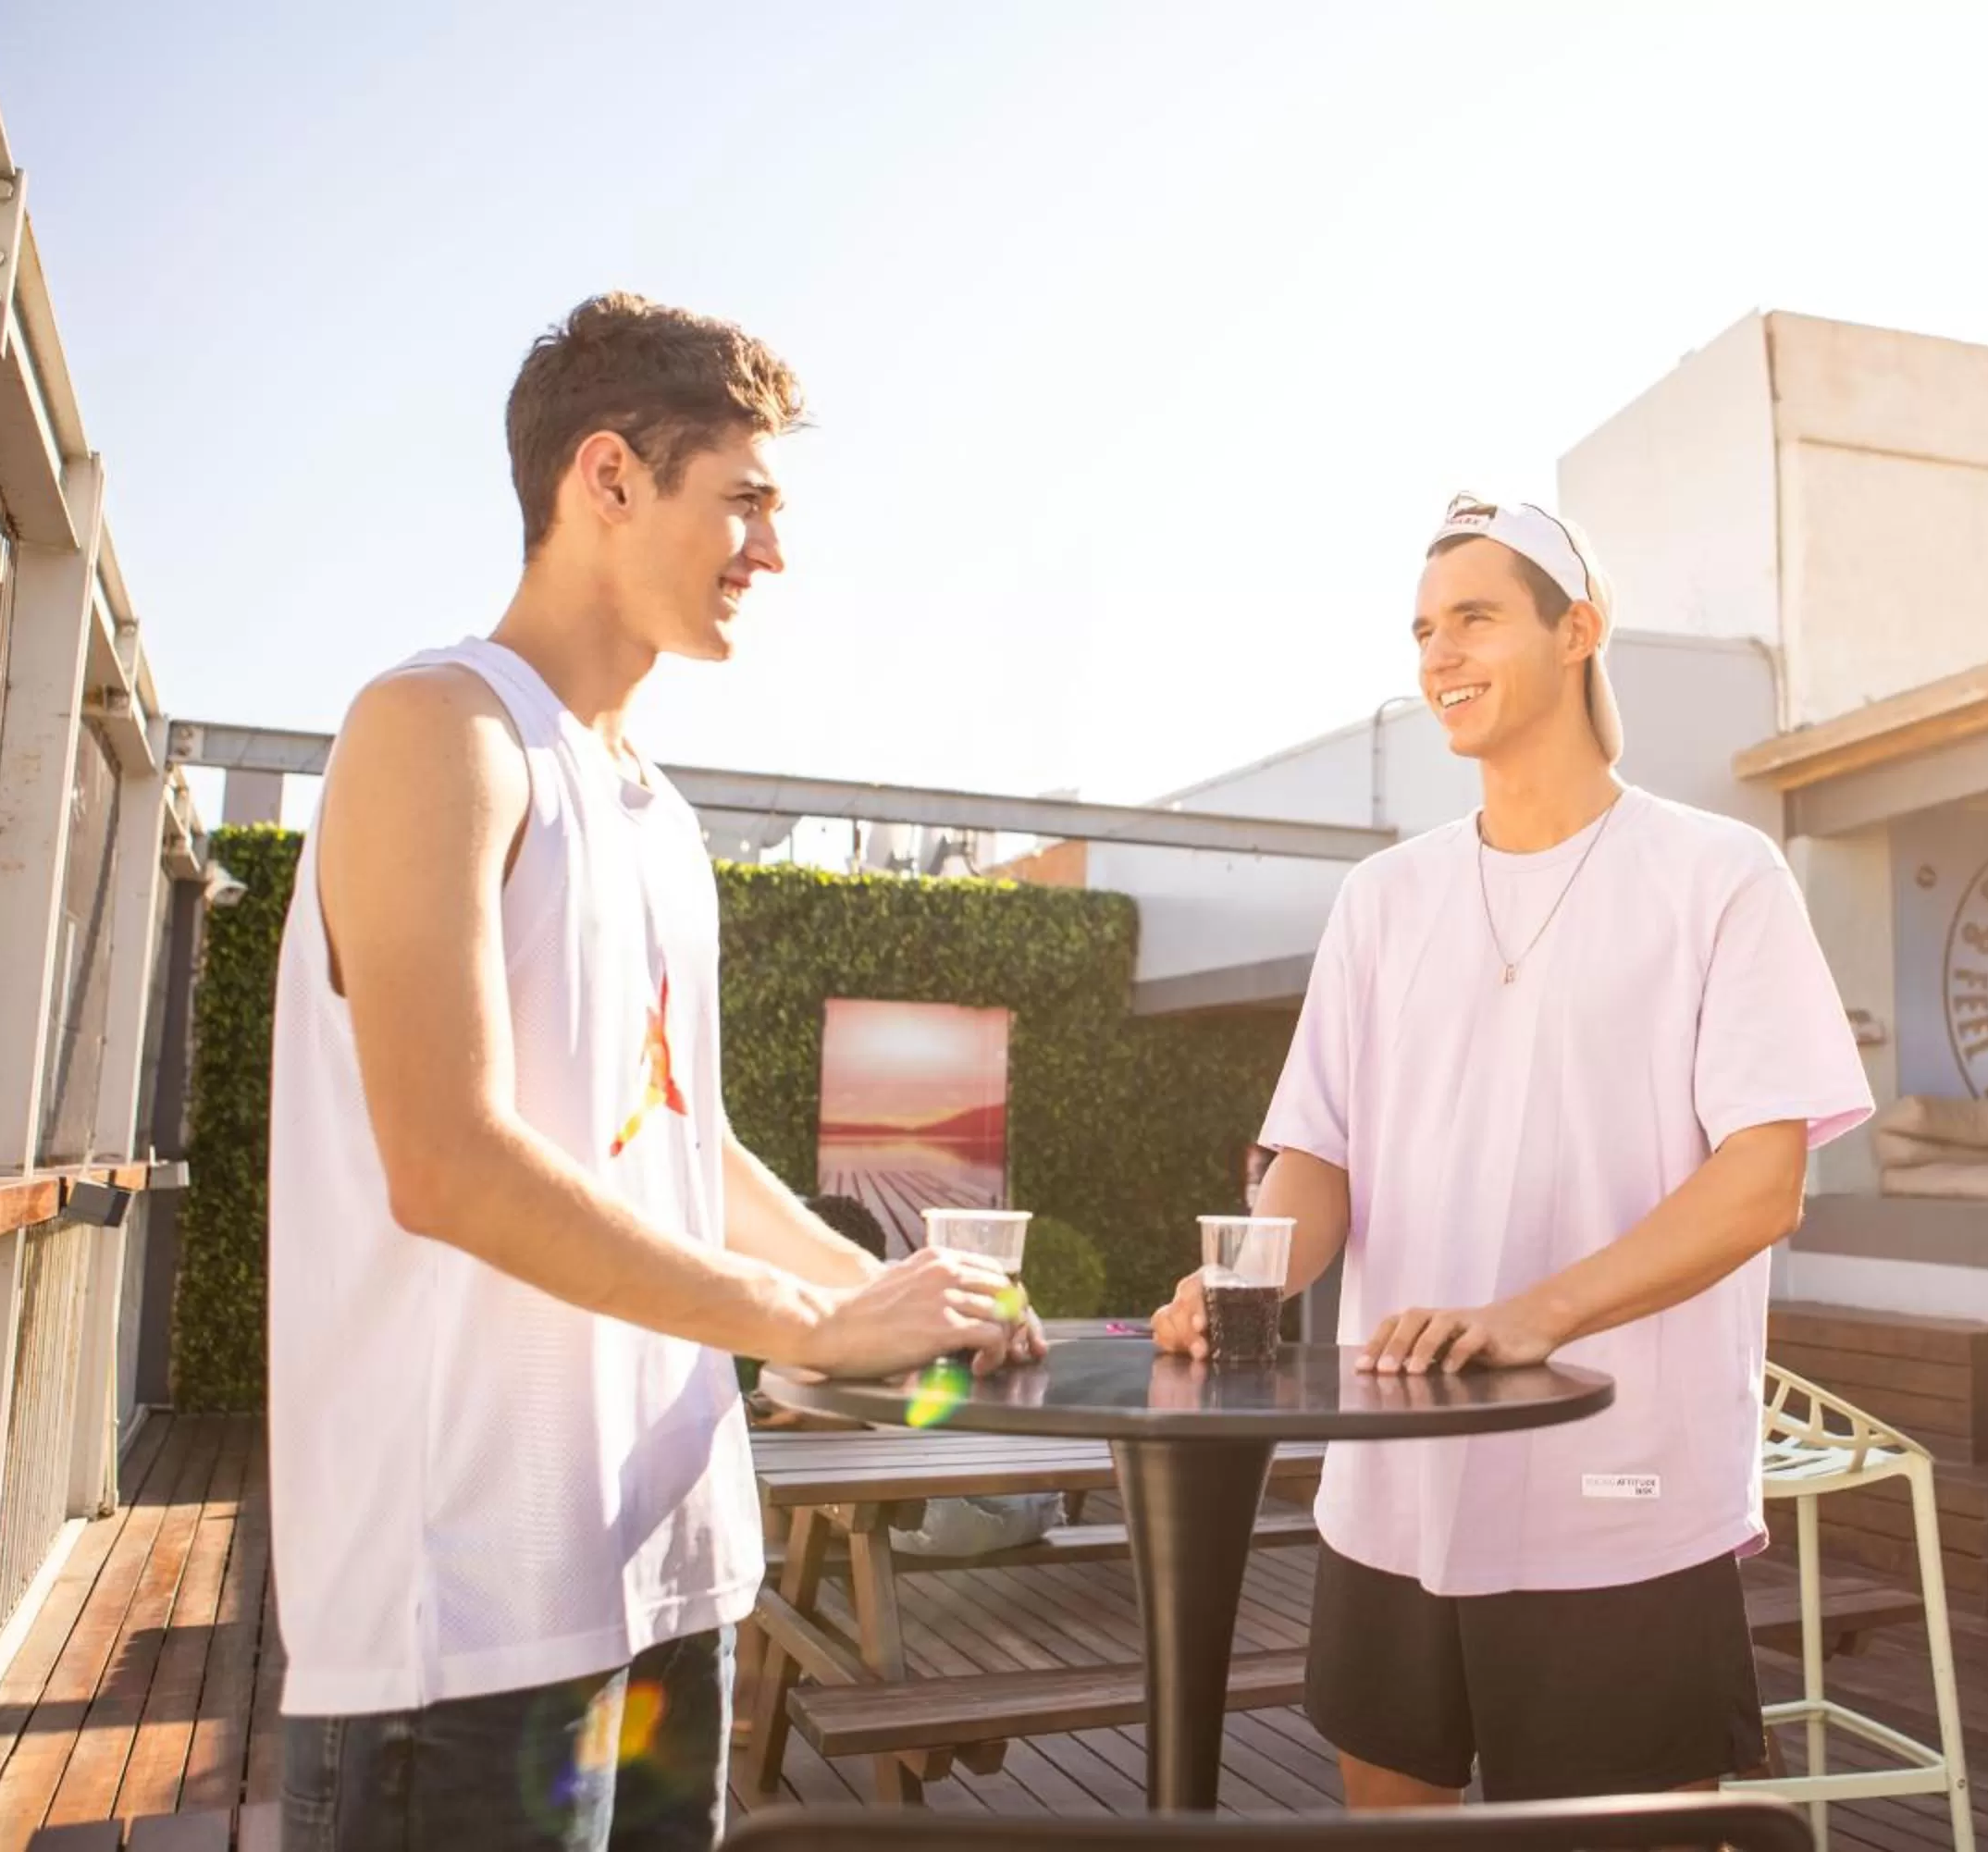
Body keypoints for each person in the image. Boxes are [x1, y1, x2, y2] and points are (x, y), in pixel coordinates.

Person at [267, 294, 1039, 1852]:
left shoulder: (660, 814)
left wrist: (912, 1294)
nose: (773, 552)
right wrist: (814, 1320)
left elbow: (682, 1146)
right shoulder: (439, 730)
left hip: (670, 1571)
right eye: (745, 500)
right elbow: (450, 1160)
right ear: (606, 477)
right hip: (464, 1625)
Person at [1153, 494, 1872, 1807]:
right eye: (1423, 628)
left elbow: (1761, 1183)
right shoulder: (1382, 898)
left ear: (1578, 630)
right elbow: (1315, 1155)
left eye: (1475, 616)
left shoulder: (1721, 874)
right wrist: (1245, 1278)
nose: (1438, 654)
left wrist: (1532, 1314)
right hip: (1394, 1484)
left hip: (1623, 1486)